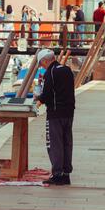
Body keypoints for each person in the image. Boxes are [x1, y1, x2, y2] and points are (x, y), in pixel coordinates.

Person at [36, 49, 75, 186]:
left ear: (46, 61)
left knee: (54, 144)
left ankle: (57, 174)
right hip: (69, 113)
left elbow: (46, 94)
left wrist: (38, 101)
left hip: (55, 114)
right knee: (66, 142)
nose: (42, 67)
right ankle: (66, 174)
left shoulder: (50, 72)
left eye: (41, 64)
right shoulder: (67, 70)